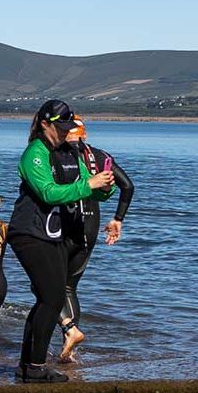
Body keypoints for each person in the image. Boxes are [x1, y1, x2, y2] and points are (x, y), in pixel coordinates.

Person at [8, 100, 114, 383]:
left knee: (48, 298)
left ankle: (27, 365)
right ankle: (36, 367)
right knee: (53, 298)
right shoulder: (34, 154)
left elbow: (88, 188)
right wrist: (88, 185)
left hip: (53, 234)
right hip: (28, 232)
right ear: (45, 124)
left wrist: (105, 187)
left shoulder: (69, 152)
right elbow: (48, 193)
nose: (67, 131)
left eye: (70, 125)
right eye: (62, 126)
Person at [58, 116, 135, 362]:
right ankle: (70, 349)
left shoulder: (57, 153)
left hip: (64, 224)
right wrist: (118, 219)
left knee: (46, 284)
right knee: (69, 287)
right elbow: (128, 186)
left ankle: (69, 331)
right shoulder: (100, 156)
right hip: (89, 225)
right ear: (85, 135)